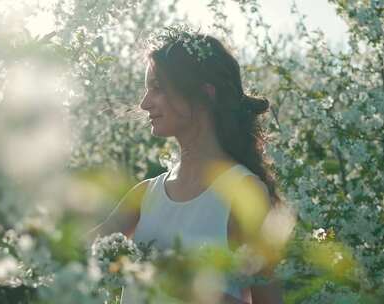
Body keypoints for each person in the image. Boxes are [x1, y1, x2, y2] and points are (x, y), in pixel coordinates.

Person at [90, 26, 285, 304]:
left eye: (157, 88)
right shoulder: (145, 194)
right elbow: (77, 254)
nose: (145, 103)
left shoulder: (244, 194)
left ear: (205, 94)